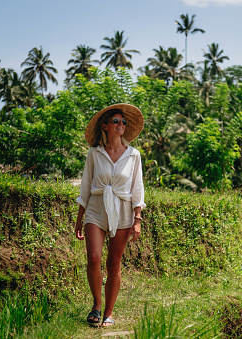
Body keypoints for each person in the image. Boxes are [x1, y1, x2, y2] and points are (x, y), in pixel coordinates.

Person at [74, 103, 145, 327]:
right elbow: (86, 186)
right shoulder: (94, 154)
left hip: (123, 210)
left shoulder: (134, 155)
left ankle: (108, 313)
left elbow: (137, 188)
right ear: (105, 126)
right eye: (116, 121)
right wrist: (79, 217)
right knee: (93, 258)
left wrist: (137, 219)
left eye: (123, 122)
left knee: (114, 263)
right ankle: (96, 305)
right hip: (96, 208)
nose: (120, 125)